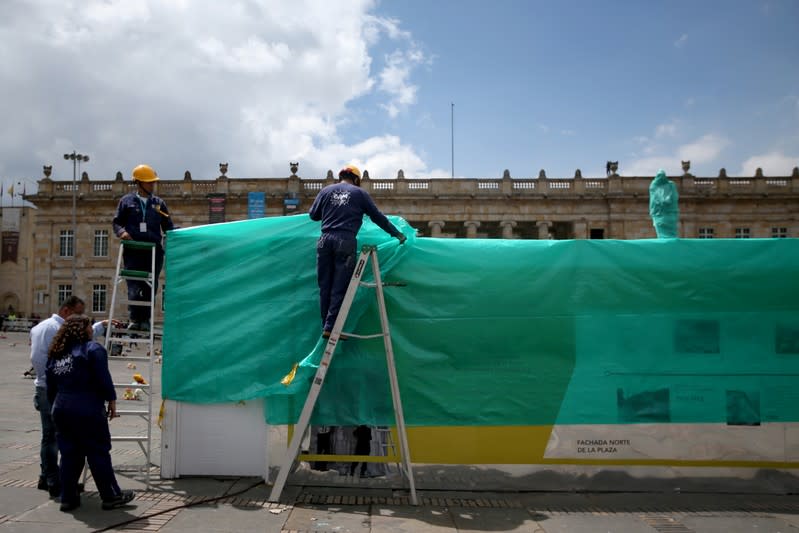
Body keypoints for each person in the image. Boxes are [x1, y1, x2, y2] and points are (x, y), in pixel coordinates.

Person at [46, 314, 135, 512]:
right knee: (97, 452)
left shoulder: (57, 353)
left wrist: (56, 407)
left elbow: (50, 386)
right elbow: (103, 378)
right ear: (84, 330)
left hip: (61, 408)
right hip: (87, 407)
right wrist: (111, 399)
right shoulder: (93, 349)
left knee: (69, 454)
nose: (91, 330)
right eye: (89, 326)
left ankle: (67, 498)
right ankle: (111, 495)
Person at [309, 164, 406, 338]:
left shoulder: (325, 191)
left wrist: (332, 211)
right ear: (355, 179)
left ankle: (326, 326)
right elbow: (378, 218)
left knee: (325, 285)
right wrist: (397, 234)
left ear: (341, 176)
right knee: (340, 286)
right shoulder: (359, 194)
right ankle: (332, 327)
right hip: (344, 242)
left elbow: (313, 215)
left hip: (324, 240)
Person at [30, 296, 110, 498]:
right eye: (78, 313)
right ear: (67, 312)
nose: (81, 318)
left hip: (46, 388)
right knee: (64, 443)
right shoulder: (61, 334)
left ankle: (48, 477)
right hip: (62, 392)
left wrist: (100, 325)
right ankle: (55, 482)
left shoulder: (39, 327)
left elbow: (41, 360)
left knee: (50, 437)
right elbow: (79, 348)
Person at [112, 164, 175, 331]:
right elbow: (117, 222)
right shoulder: (126, 202)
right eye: (149, 182)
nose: (152, 185)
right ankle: (134, 317)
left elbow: (168, 226)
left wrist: (183, 233)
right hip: (133, 250)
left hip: (153, 252)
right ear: (138, 183)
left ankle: (145, 319)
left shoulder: (158, 204)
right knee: (133, 286)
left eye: (153, 182)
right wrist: (122, 232)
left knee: (150, 286)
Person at [649, 168, 680, 238]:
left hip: (662, 214)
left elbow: (654, 198)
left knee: (665, 234)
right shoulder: (670, 184)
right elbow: (675, 196)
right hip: (664, 214)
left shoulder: (654, 185)